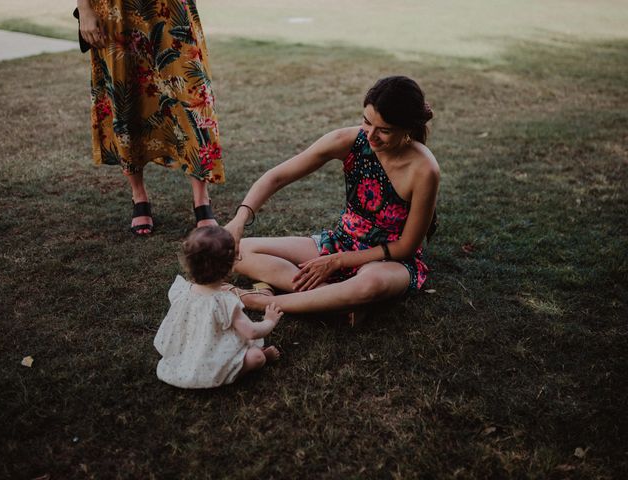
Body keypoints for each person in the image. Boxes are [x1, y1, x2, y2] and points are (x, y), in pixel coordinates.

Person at [225, 76, 440, 315]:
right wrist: (239, 219)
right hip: (341, 242)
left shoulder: (424, 169)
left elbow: (406, 247)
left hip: (390, 261)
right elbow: (276, 177)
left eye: (385, 130)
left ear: (406, 128)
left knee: (371, 284)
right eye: (367, 122)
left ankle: (259, 302)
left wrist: (337, 261)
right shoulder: (348, 140)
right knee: (234, 251)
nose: (370, 135)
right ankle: (334, 299)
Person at [77, 0, 224, 235]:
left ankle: (201, 199)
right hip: (117, 11)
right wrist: (84, 9)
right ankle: (139, 196)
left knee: (194, 96)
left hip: (171, 8)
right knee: (126, 98)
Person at [154, 226, 282, 388]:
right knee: (257, 357)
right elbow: (252, 331)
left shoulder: (183, 290)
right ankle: (233, 370)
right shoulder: (225, 302)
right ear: (228, 268)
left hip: (185, 358)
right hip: (212, 367)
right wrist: (269, 321)